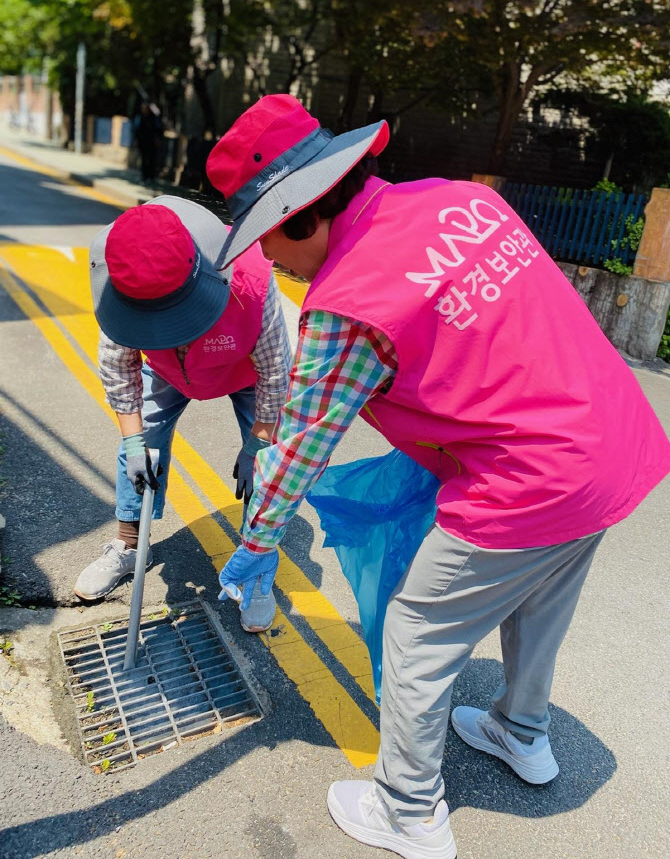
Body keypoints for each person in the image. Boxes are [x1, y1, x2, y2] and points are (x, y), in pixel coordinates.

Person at [205, 94, 670, 859]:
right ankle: (522, 733)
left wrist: (255, 542)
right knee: (539, 599)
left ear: (301, 217)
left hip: (530, 474)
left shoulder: (349, 302)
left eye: (267, 242)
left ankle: (409, 810)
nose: (269, 262)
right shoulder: (462, 201)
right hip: (610, 444)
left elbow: (299, 445)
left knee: (418, 629)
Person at [74, 195, 292, 634]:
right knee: (140, 447)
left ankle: (257, 562)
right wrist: (135, 442)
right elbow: (119, 368)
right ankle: (131, 545)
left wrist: (259, 443)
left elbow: (275, 373)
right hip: (166, 371)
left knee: (269, 466)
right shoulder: (122, 284)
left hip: (244, 374)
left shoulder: (251, 283)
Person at [134, 102, 163, 183]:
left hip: (151, 143)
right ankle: (144, 176)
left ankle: (151, 177)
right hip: (143, 143)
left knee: (152, 160)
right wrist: (136, 140)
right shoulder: (140, 117)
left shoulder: (153, 118)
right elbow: (137, 130)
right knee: (144, 160)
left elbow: (158, 128)